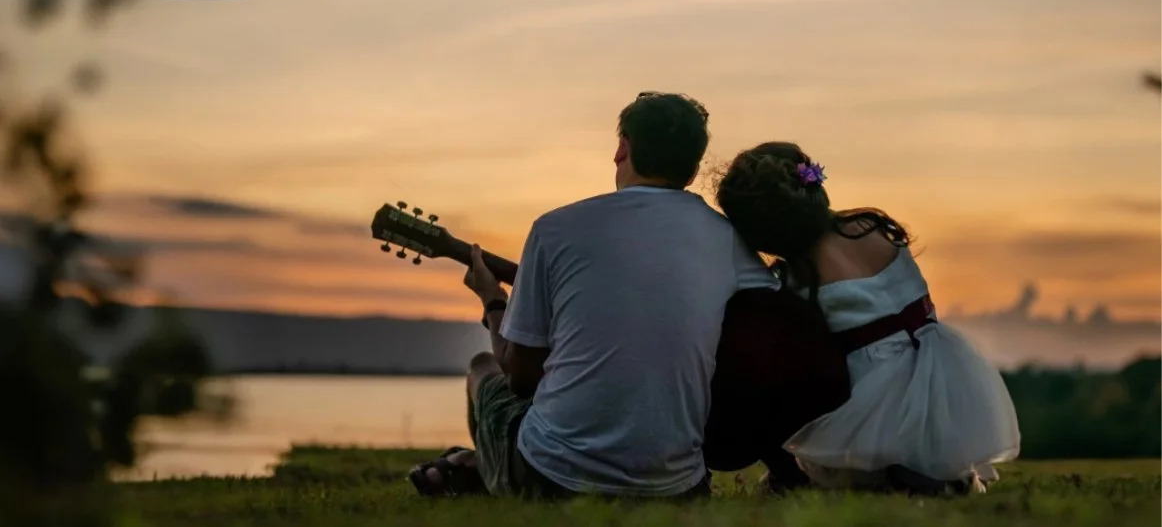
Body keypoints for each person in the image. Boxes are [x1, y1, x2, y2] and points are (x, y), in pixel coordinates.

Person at [408, 92, 782, 499]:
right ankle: (473, 465)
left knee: (483, 367)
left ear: (622, 148)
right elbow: (769, 320)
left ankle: (486, 468)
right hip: (677, 486)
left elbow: (520, 378)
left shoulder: (554, 229)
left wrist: (492, 299)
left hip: (554, 480)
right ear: (693, 170)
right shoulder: (727, 240)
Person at [714, 141, 1021, 493]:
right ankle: (934, 469)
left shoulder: (799, 278)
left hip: (875, 394)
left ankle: (887, 470)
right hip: (937, 372)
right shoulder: (868, 227)